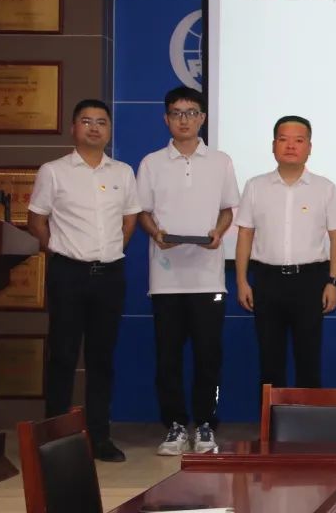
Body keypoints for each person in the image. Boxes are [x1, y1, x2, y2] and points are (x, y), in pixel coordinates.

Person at [27, 99, 141, 462]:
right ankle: (55, 439)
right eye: (87, 121)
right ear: (74, 128)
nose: (94, 128)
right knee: (62, 356)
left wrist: (108, 251)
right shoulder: (53, 171)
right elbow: (36, 221)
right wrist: (61, 251)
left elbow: (129, 221)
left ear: (109, 130)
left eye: (102, 122)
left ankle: (99, 437)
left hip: (109, 276)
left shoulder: (122, 172)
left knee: (101, 359)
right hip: (68, 274)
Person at [136, 86, 239, 455]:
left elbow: (228, 209)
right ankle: (176, 426)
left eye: (191, 113)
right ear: (166, 119)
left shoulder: (221, 161)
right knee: (168, 357)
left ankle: (206, 425)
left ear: (203, 118)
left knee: (209, 356)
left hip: (208, 278)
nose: (184, 120)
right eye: (177, 113)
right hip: (166, 278)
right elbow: (142, 212)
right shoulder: (151, 163)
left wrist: (218, 233)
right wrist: (156, 234)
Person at [235, 116, 336, 389]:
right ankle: (271, 417)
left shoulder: (324, 188)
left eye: (299, 140)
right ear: (273, 145)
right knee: (269, 361)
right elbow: (245, 234)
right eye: (283, 140)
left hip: (310, 281)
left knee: (308, 360)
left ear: (309, 147)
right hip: (267, 280)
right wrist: (241, 281)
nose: (290, 146)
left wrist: (333, 282)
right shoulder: (255, 186)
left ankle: (308, 418)